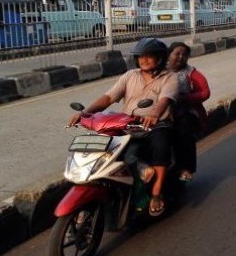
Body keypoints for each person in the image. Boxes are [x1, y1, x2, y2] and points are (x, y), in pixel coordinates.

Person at [68, 37, 177, 217]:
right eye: (141, 56)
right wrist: (85, 113)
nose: (144, 60)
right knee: (108, 150)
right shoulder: (129, 76)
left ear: (160, 58)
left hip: (157, 125)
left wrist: (154, 114)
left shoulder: (170, 78)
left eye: (149, 56)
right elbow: (109, 98)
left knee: (161, 146)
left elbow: (164, 101)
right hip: (128, 124)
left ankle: (157, 193)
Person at [167, 42, 211, 182]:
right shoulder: (160, 70)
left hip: (186, 111)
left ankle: (186, 167)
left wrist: (186, 98)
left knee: (183, 131)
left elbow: (205, 92)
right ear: (169, 54)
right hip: (162, 111)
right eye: (177, 53)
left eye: (184, 54)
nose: (180, 57)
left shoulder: (192, 73)